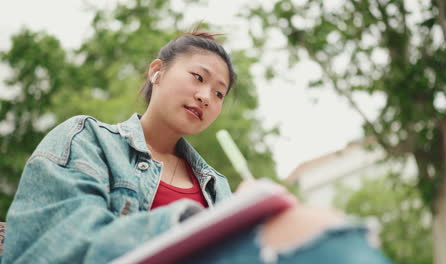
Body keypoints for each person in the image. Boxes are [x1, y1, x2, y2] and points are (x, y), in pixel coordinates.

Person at [2, 30, 393, 264]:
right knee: (316, 232)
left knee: (316, 225)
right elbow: (53, 245)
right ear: (157, 72)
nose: (207, 96)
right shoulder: (86, 139)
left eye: (219, 93)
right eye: (198, 77)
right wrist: (190, 225)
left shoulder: (216, 185)